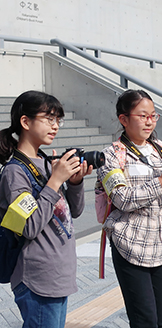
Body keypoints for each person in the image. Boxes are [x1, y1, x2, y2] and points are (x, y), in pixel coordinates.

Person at [96, 89, 162, 328]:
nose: (149, 121)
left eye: (153, 116)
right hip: (129, 242)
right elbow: (122, 199)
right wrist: (161, 180)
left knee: (160, 320)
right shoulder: (111, 156)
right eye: (143, 116)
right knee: (145, 321)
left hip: (161, 243)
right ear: (124, 119)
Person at [0, 90, 92, 328]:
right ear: (25, 121)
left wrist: (74, 182)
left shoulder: (46, 163)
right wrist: (55, 181)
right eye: (49, 118)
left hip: (57, 272)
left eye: (58, 120)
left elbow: (74, 211)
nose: (56, 126)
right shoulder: (15, 172)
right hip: (36, 277)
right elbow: (28, 226)